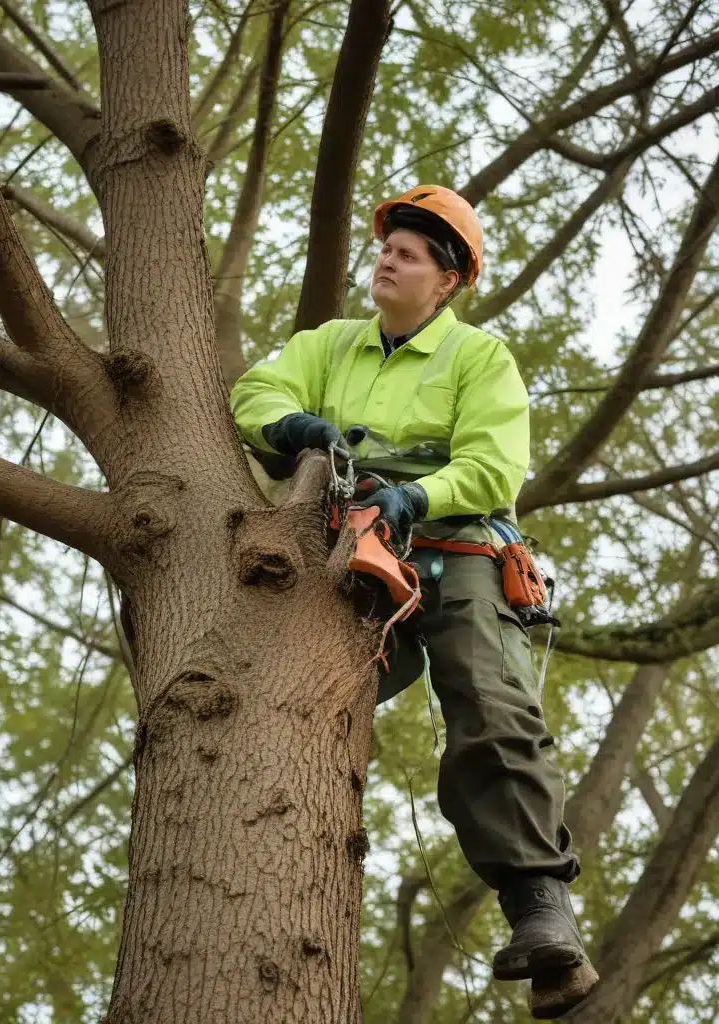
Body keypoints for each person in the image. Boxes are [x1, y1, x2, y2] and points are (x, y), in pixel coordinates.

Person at [230, 185, 595, 1016]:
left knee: (487, 697)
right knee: (292, 689)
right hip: (349, 548)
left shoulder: (479, 359)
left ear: (448, 280)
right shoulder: (330, 345)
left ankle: (540, 908)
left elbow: (493, 468)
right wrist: (292, 428)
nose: (387, 260)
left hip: (455, 546)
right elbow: (253, 391)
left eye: (408, 253)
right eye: (385, 246)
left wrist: (415, 499)